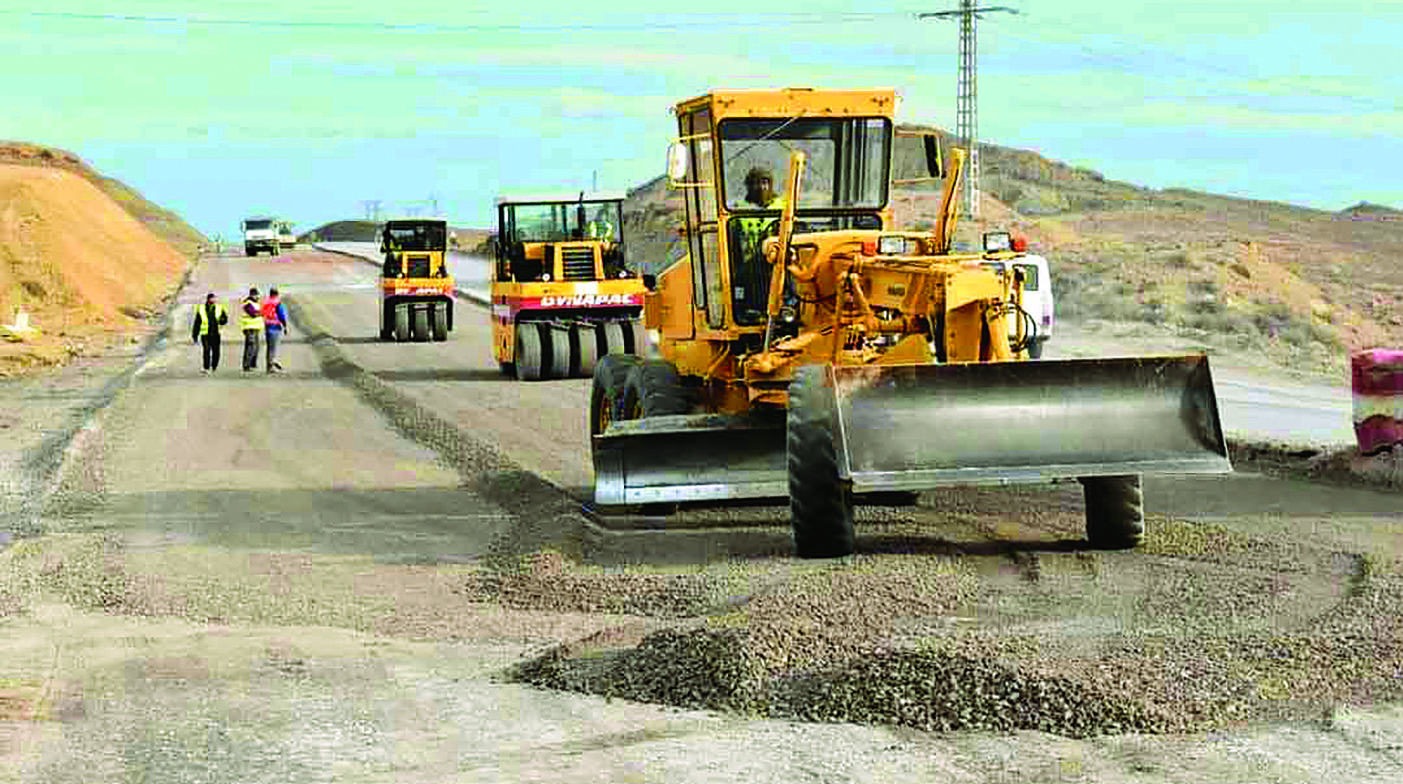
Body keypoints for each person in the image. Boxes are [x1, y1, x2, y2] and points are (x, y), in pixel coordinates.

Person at [191, 292, 228, 374]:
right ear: (208, 299)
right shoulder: (201, 309)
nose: (213, 300)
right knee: (206, 350)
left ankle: (214, 366)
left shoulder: (219, 308)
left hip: (216, 333)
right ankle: (206, 367)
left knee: (216, 351)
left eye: (214, 298)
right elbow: (197, 322)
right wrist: (195, 335)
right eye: (212, 298)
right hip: (205, 334)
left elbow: (225, 318)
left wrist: (222, 321)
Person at [261, 287, 289, 373]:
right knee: (273, 348)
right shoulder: (277, 303)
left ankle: (270, 364)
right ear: (276, 294)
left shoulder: (265, 302)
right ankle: (270, 366)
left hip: (267, 326)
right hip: (275, 327)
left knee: (269, 348)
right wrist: (285, 326)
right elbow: (282, 315)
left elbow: (262, 313)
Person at [239, 287, 262, 372]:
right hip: (249, 328)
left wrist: (259, 313)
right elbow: (253, 314)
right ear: (252, 295)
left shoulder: (255, 303)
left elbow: (257, 313)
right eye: (256, 295)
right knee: (250, 347)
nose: (257, 296)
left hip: (255, 328)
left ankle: (252, 364)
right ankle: (246, 365)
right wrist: (261, 313)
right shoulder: (248, 303)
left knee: (256, 347)